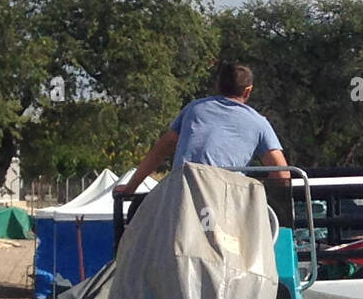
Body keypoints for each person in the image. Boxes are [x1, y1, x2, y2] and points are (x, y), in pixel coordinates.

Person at [114, 61, 289, 200]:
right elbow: (282, 174)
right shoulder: (259, 122)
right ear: (248, 91)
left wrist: (131, 188)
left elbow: (161, 149)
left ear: (218, 85)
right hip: (225, 198)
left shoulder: (194, 109)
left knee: (135, 215)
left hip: (183, 194)